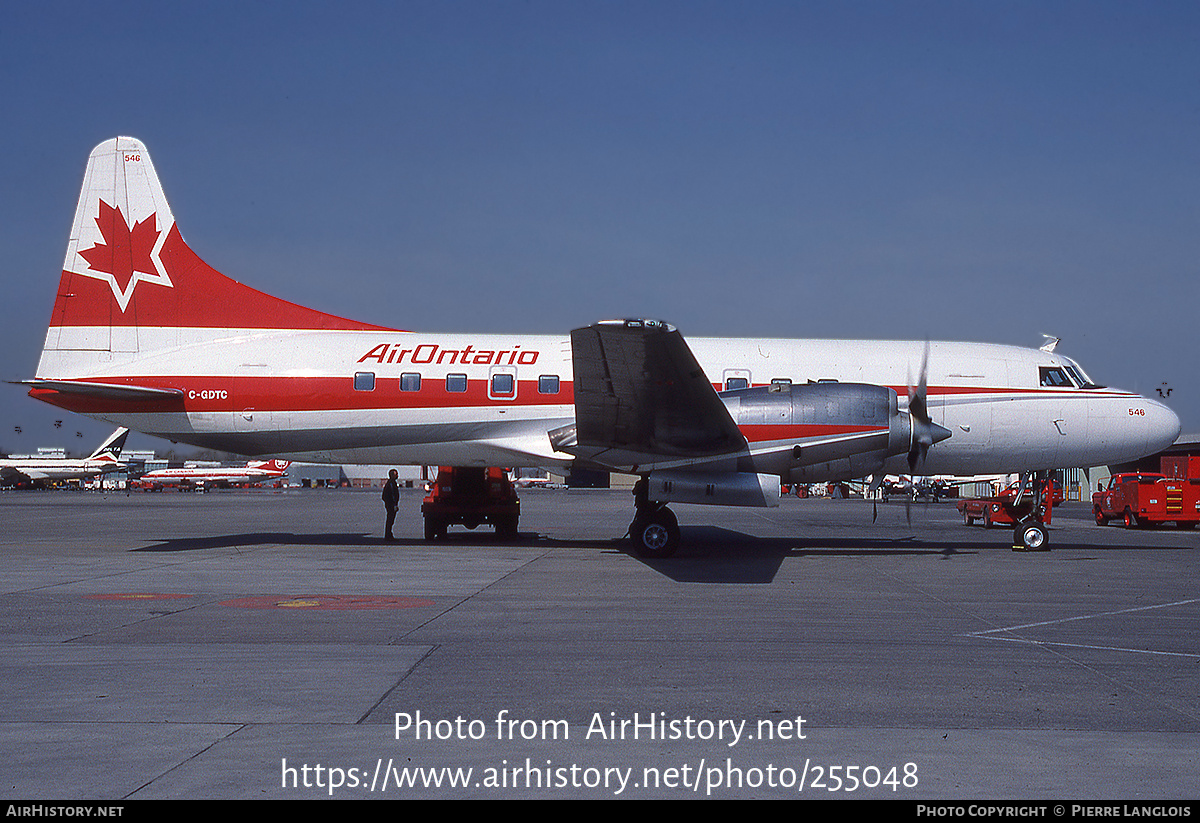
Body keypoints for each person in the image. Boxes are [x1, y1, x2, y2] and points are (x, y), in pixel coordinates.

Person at [382, 469, 400, 541]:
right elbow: (391, 495)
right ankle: (388, 535)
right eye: (396, 474)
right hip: (391, 506)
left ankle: (389, 534)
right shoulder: (391, 484)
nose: (397, 476)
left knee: (391, 520)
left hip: (391, 505)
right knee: (390, 520)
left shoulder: (392, 483)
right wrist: (393, 505)